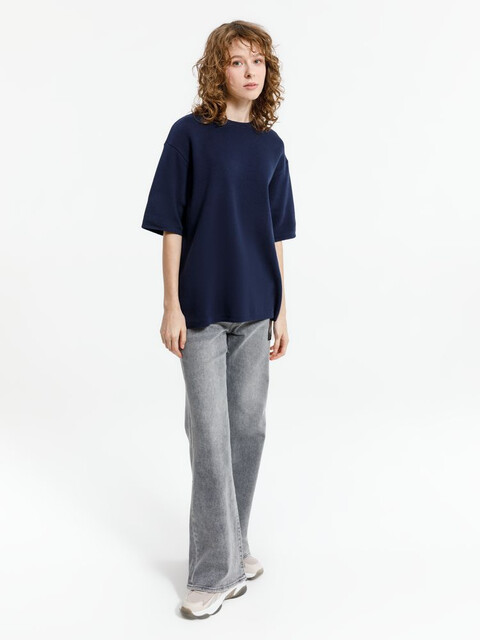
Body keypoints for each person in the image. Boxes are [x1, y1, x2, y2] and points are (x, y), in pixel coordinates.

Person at [141, 20, 296, 619]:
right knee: (209, 436)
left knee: (248, 430)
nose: (249, 71)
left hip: (256, 310)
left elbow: (275, 235)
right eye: (237, 61)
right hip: (202, 311)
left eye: (258, 61)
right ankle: (213, 574)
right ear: (218, 70)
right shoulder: (188, 136)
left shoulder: (271, 147)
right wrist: (171, 305)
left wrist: (283, 310)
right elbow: (170, 224)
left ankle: (234, 542)